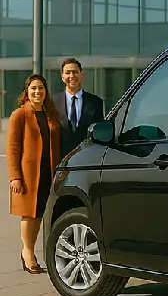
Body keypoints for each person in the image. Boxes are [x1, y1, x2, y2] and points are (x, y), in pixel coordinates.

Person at [6, 74, 62, 274]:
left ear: (45, 91)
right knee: (28, 213)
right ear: (27, 92)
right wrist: (15, 176)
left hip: (48, 171)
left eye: (41, 88)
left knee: (39, 213)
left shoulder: (50, 114)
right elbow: (12, 148)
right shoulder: (19, 114)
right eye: (33, 88)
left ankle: (30, 249)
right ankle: (27, 252)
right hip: (28, 174)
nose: (37, 91)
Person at [53, 58, 105, 157]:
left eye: (75, 72)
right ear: (62, 77)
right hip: (60, 160)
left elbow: (99, 134)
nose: (72, 76)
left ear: (82, 74)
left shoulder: (95, 102)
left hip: (87, 158)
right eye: (68, 73)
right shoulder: (53, 103)